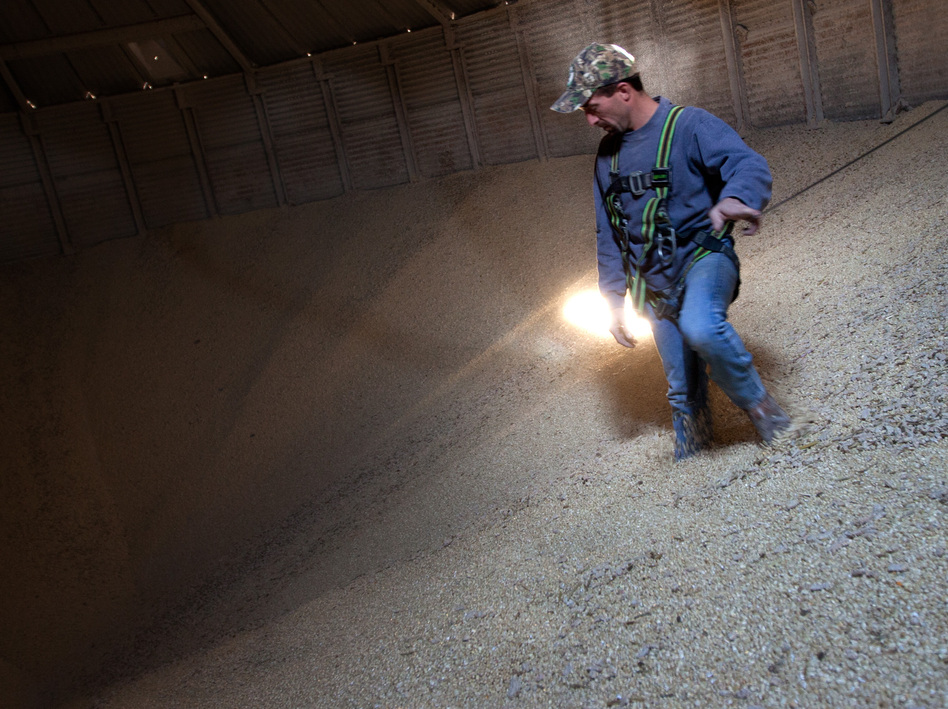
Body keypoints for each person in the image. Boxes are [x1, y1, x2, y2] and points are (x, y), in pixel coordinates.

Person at [551, 43, 791, 460]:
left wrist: (737, 196)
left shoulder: (689, 125)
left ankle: (769, 416)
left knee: (702, 327)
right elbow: (608, 229)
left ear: (623, 90)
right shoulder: (607, 157)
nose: (590, 120)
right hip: (654, 286)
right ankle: (695, 456)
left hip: (704, 259)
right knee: (682, 388)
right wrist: (613, 299)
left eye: (592, 106)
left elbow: (747, 164)